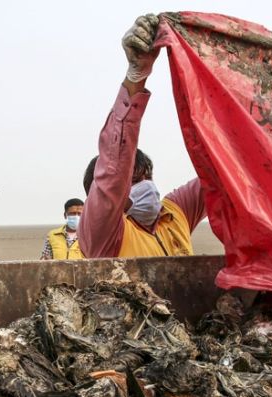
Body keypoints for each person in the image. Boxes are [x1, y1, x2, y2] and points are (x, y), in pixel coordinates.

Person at [78, 14, 206, 259]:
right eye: (134, 181)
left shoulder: (175, 213)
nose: (147, 187)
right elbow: (114, 169)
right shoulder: (103, 235)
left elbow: (220, 174)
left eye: (148, 178)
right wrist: (137, 76)